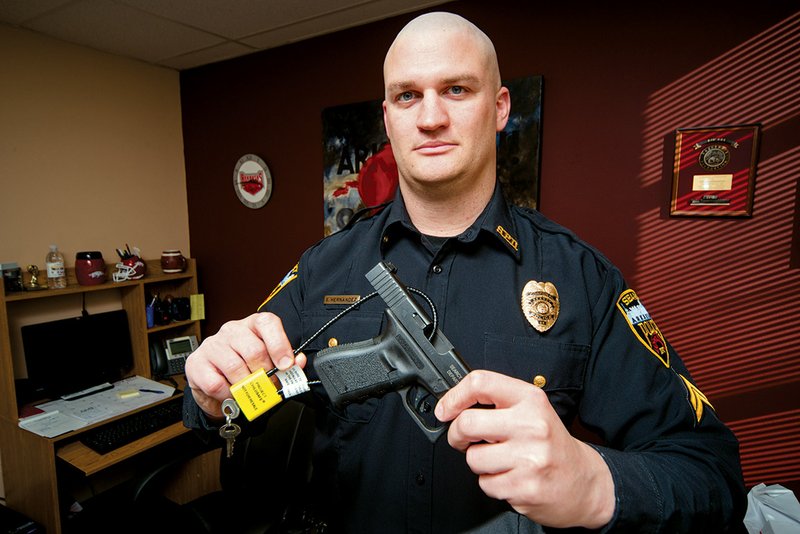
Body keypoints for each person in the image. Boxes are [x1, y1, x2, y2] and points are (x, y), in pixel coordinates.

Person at [184, 12, 747, 533]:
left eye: (457, 89)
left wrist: (595, 481)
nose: (431, 117)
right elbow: (221, 407)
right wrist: (211, 394)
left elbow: (712, 477)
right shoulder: (321, 268)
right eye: (408, 96)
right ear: (388, 117)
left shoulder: (582, 279)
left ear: (500, 107)